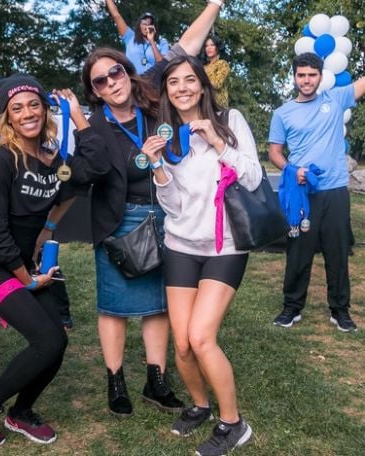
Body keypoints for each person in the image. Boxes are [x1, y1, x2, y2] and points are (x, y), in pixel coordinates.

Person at [77, 0, 224, 419]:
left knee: (158, 304)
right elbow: (88, 170)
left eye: (115, 72)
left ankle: (156, 380)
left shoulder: (152, 98)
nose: (111, 82)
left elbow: (186, 48)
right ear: (96, 91)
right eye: (100, 81)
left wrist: (214, 4)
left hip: (166, 215)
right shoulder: (94, 126)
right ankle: (116, 380)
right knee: (115, 307)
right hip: (119, 221)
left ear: (127, 69)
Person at [0, 74, 89, 447]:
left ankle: (20, 412)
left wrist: (48, 226)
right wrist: (27, 279)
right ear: (8, 118)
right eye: (17, 108)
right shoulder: (3, 160)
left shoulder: (53, 158)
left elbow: (76, 183)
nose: (27, 113)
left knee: (56, 339)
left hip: (26, 262)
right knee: (46, 341)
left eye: (33, 104)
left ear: (45, 110)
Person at [146, 54, 258, 456]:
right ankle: (200, 405)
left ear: (203, 84)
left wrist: (216, 141)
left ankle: (233, 424)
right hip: (181, 246)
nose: (182, 88)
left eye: (189, 80)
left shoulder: (231, 119)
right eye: (173, 82)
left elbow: (253, 176)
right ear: (166, 91)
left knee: (201, 337)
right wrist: (158, 167)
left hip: (225, 246)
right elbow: (173, 206)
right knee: (181, 345)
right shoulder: (167, 134)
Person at [269, 53, 365, 332]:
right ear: (294, 77)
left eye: (311, 74)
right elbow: (274, 152)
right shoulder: (282, 113)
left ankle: (340, 311)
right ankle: (291, 308)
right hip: (301, 193)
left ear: (320, 76)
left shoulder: (334, 99)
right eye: (301, 75)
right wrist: (291, 169)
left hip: (335, 190)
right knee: (299, 251)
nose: (306, 80)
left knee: (337, 252)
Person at [105, 0, 170, 75]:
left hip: (153, 81)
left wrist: (151, 41)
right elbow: (116, 15)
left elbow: (162, 64)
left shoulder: (162, 42)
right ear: (139, 26)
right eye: (144, 24)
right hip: (134, 81)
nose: (147, 27)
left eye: (150, 24)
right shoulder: (130, 37)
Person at [203, 35, 230, 107]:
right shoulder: (203, 66)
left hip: (218, 105)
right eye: (206, 46)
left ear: (218, 47)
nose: (209, 48)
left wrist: (202, 79)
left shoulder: (222, 64)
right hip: (203, 104)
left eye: (212, 45)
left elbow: (217, 84)